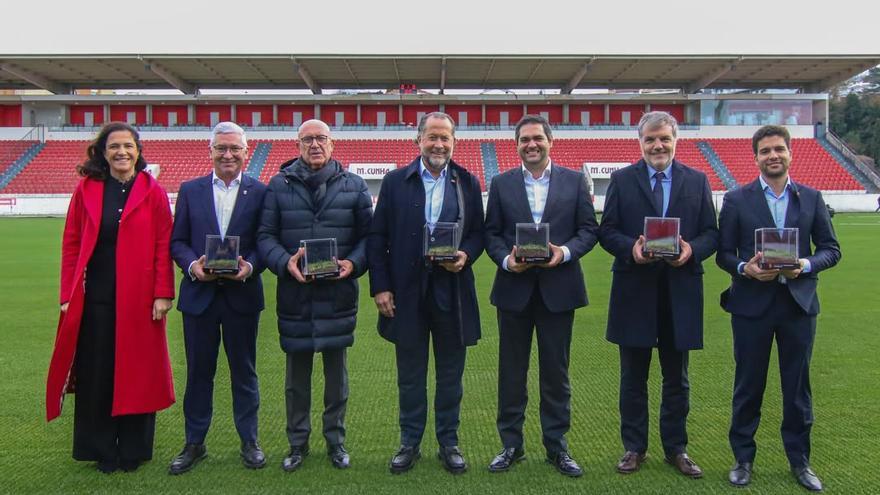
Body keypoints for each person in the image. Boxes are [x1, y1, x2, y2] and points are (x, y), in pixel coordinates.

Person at [717, 125, 841, 492]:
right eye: (766, 150)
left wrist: (803, 265)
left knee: (797, 388)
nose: (773, 155)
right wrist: (745, 268)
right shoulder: (737, 199)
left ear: (790, 154)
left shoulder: (812, 198)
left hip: (798, 306)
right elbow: (724, 254)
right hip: (751, 304)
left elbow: (831, 250)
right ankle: (743, 458)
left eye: (779, 149)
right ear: (755, 157)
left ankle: (800, 461)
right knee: (748, 386)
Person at [46, 122, 175, 473]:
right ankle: (100, 448)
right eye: (114, 146)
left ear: (138, 150)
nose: (122, 152)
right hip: (94, 297)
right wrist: (67, 293)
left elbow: (163, 246)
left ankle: (133, 448)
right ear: (103, 153)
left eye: (128, 146)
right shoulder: (86, 190)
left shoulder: (153, 191)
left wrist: (163, 293)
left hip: (141, 300)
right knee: (97, 372)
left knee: (138, 372)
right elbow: (71, 243)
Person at [598, 111, 718, 478]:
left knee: (676, 378)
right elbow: (608, 231)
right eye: (650, 139)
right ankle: (634, 448)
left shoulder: (697, 181)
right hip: (635, 289)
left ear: (675, 139)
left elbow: (711, 234)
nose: (657, 145)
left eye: (664, 138)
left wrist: (691, 251)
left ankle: (676, 448)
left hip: (680, 292)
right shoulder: (621, 179)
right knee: (632, 377)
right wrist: (630, 250)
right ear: (640, 142)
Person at [367, 112, 484, 474]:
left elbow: (479, 234)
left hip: (453, 292)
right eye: (431, 137)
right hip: (406, 293)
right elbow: (377, 238)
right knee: (411, 374)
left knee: (451, 375)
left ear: (454, 142)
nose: (438, 144)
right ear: (418, 140)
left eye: (445, 138)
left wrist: (466, 255)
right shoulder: (394, 182)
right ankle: (410, 442)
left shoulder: (467, 181)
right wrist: (381, 286)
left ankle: (449, 442)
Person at [484, 114, 598, 477]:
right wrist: (505, 260)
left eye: (537, 138)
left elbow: (588, 230)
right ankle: (511, 445)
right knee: (511, 373)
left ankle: (556, 447)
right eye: (524, 140)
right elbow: (491, 233)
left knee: (556, 373)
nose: (531, 145)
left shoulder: (575, 181)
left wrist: (562, 253)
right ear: (516, 145)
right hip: (514, 290)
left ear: (551, 141)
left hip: (558, 290)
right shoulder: (501, 183)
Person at [258, 119, 372, 472]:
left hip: (338, 295)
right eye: (307, 139)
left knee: (337, 379)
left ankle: (336, 442)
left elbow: (370, 239)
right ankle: (297, 444)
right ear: (297, 145)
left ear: (332, 143)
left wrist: (352, 264)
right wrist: (284, 262)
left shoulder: (354, 186)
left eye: (321, 138)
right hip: (296, 294)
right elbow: (265, 237)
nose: (315, 145)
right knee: (296, 380)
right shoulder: (278, 185)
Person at [168, 122, 268, 474]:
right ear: (210, 151)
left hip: (241, 296)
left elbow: (263, 242)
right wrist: (193, 265)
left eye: (234, 149)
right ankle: (194, 443)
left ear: (246, 151)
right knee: (199, 373)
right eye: (221, 148)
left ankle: (250, 441)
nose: (228, 155)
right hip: (199, 296)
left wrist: (251, 266)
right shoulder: (190, 189)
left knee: (245, 372)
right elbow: (177, 241)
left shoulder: (260, 192)